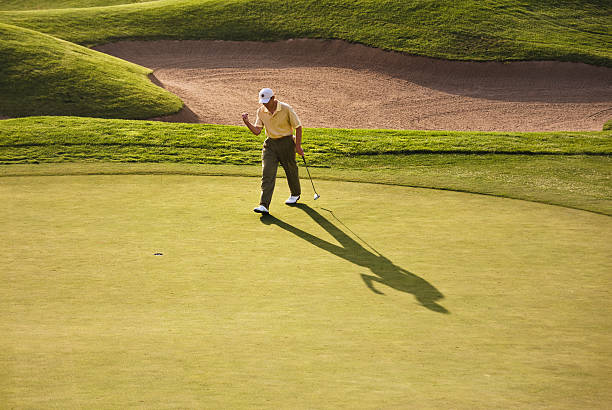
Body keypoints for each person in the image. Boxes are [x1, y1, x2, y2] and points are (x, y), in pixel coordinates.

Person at [242, 88, 304, 214]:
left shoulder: (286, 109)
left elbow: (298, 127)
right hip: (270, 145)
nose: (264, 103)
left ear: (273, 98)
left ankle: (295, 194)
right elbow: (257, 131)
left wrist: (297, 146)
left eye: (266, 101)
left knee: (291, 170)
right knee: (267, 173)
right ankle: (264, 205)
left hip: (286, 142)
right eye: (262, 101)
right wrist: (247, 122)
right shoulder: (261, 111)